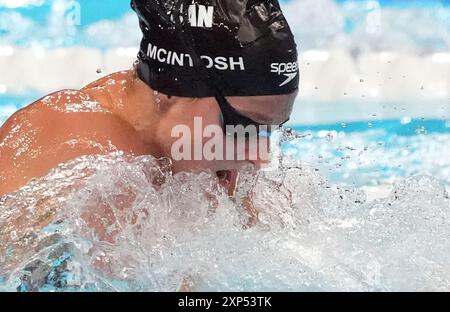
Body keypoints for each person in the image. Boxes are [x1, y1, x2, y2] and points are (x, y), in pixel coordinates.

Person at [0, 0, 299, 221]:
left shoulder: (215, 161)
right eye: (242, 124)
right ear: (170, 94)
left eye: (267, 130)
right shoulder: (76, 158)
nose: (259, 154)